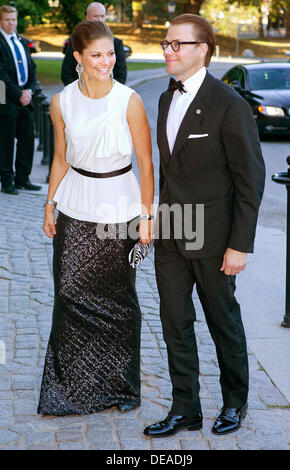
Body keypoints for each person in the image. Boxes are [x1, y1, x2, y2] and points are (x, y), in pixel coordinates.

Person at [144, 14, 265, 438]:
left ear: (203, 50)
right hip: (171, 233)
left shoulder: (230, 104)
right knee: (174, 322)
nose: (168, 51)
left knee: (222, 321)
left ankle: (235, 402)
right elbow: (170, 172)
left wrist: (240, 244)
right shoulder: (163, 99)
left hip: (214, 237)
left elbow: (250, 179)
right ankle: (185, 408)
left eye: (178, 44)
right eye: (166, 43)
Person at [37, 20, 154, 416]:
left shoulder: (129, 100)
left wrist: (147, 215)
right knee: (68, 293)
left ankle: (121, 388)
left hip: (120, 207)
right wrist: (50, 204)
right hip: (74, 205)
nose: (107, 61)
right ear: (78, 59)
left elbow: (145, 162)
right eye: (97, 55)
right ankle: (70, 388)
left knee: (118, 300)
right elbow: (59, 157)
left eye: (110, 53)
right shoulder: (61, 102)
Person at [0, 5, 41, 194]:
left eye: (14, 19)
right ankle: (7, 181)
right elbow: (1, 75)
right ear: (1, 20)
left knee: (27, 139)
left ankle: (22, 178)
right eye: (8, 19)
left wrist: (30, 90)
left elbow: (32, 69)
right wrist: (18, 94)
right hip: (5, 98)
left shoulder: (22, 41)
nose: (11, 23)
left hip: (25, 96)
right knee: (6, 141)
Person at [61, 2, 127, 86]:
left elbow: (121, 75)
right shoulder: (75, 42)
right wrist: (80, 92)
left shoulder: (116, 43)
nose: (99, 19)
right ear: (87, 18)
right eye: (95, 16)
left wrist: (103, 92)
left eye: (102, 16)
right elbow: (66, 73)